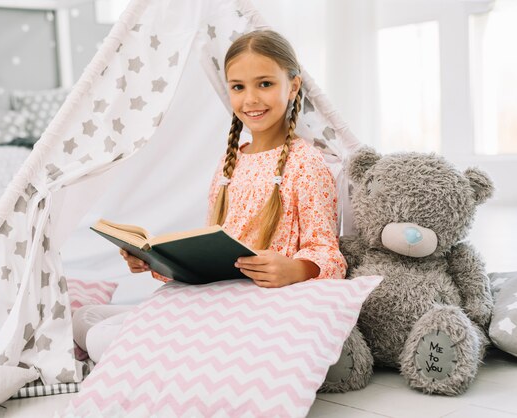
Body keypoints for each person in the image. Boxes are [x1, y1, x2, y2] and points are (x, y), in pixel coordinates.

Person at [73, 30, 347, 362]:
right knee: (85, 319)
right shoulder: (230, 163)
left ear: (293, 86)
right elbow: (211, 256)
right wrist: (154, 261)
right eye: (238, 87)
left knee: (105, 339)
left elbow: (330, 256)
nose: (251, 100)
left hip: (260, 305)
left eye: (265, 84)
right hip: (216, 295)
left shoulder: (306, 164)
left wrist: (297, 268)